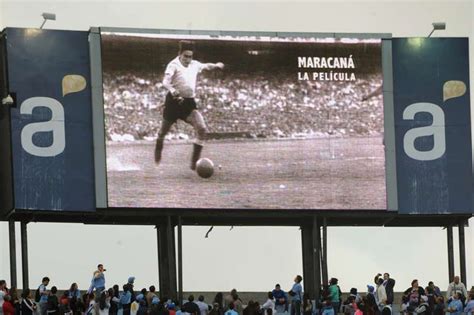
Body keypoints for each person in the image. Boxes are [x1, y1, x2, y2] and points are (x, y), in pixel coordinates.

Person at [154, 40, 225, 170]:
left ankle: (194, 163)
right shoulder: (173, 65)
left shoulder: (194, 64)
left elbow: (206, 66)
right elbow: (165, 81)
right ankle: (158, 152)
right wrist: (172, 90)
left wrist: (216, 65)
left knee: (202, 129)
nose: (188, 59)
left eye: (190, 56)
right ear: (180, 54)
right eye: (185, 56)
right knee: (162, 132)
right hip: (173, 102)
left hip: (188, 103)